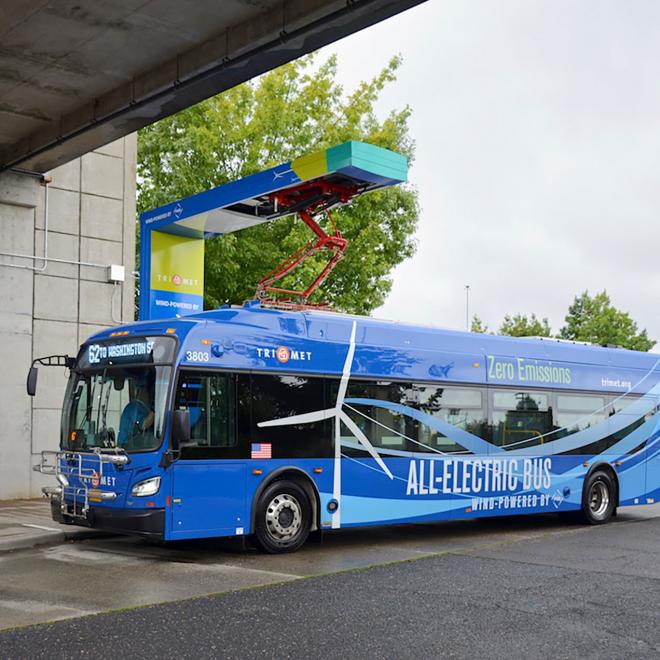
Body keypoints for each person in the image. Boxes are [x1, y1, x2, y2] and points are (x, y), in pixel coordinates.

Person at [118, 379, 154, 447]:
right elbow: (144, 424)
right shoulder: (134, 407)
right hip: (128, 448)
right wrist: (156, 410)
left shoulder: (143, 407)